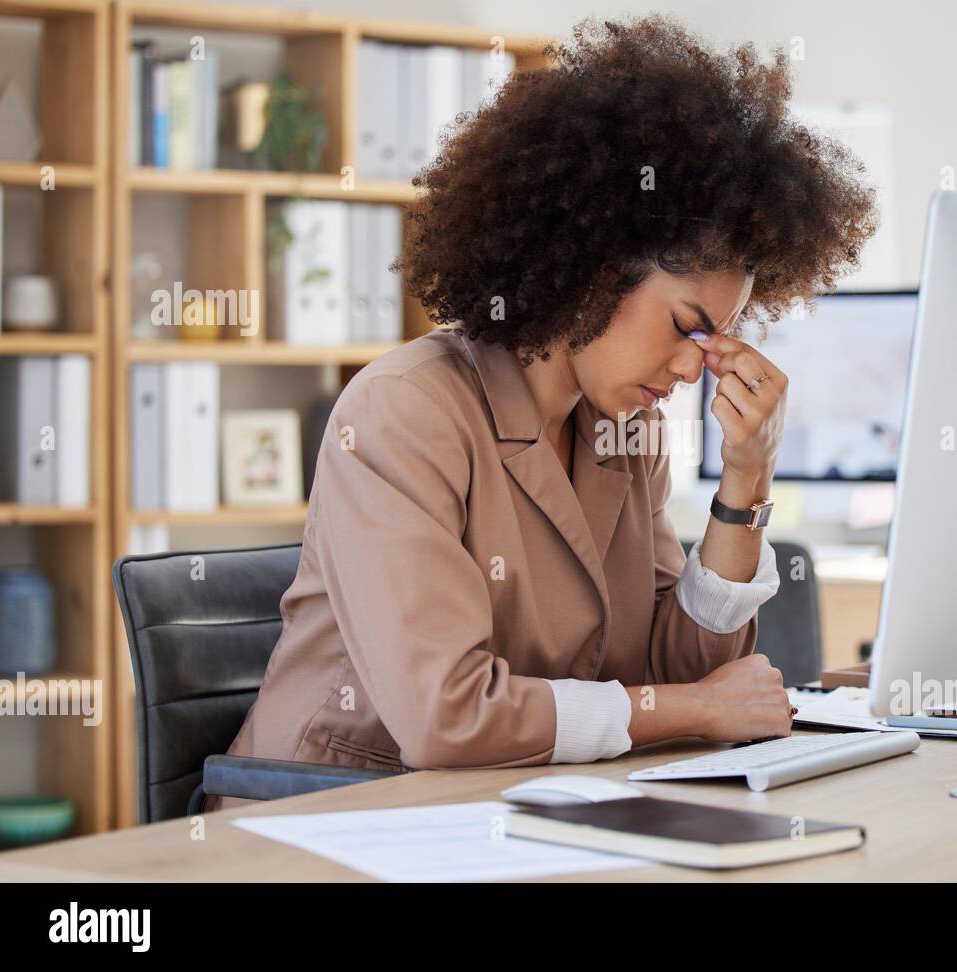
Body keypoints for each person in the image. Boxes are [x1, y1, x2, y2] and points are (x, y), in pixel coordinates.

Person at [206, 16, 876, 810]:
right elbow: (447, 716)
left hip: (502, 810)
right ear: (592, 271)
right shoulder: (405, 413)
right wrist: (692, 710)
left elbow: (676, 669)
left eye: (718, 337)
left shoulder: (625, 429)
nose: (700, 363)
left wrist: (746, 477)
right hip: (330, 813)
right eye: (686, 325)